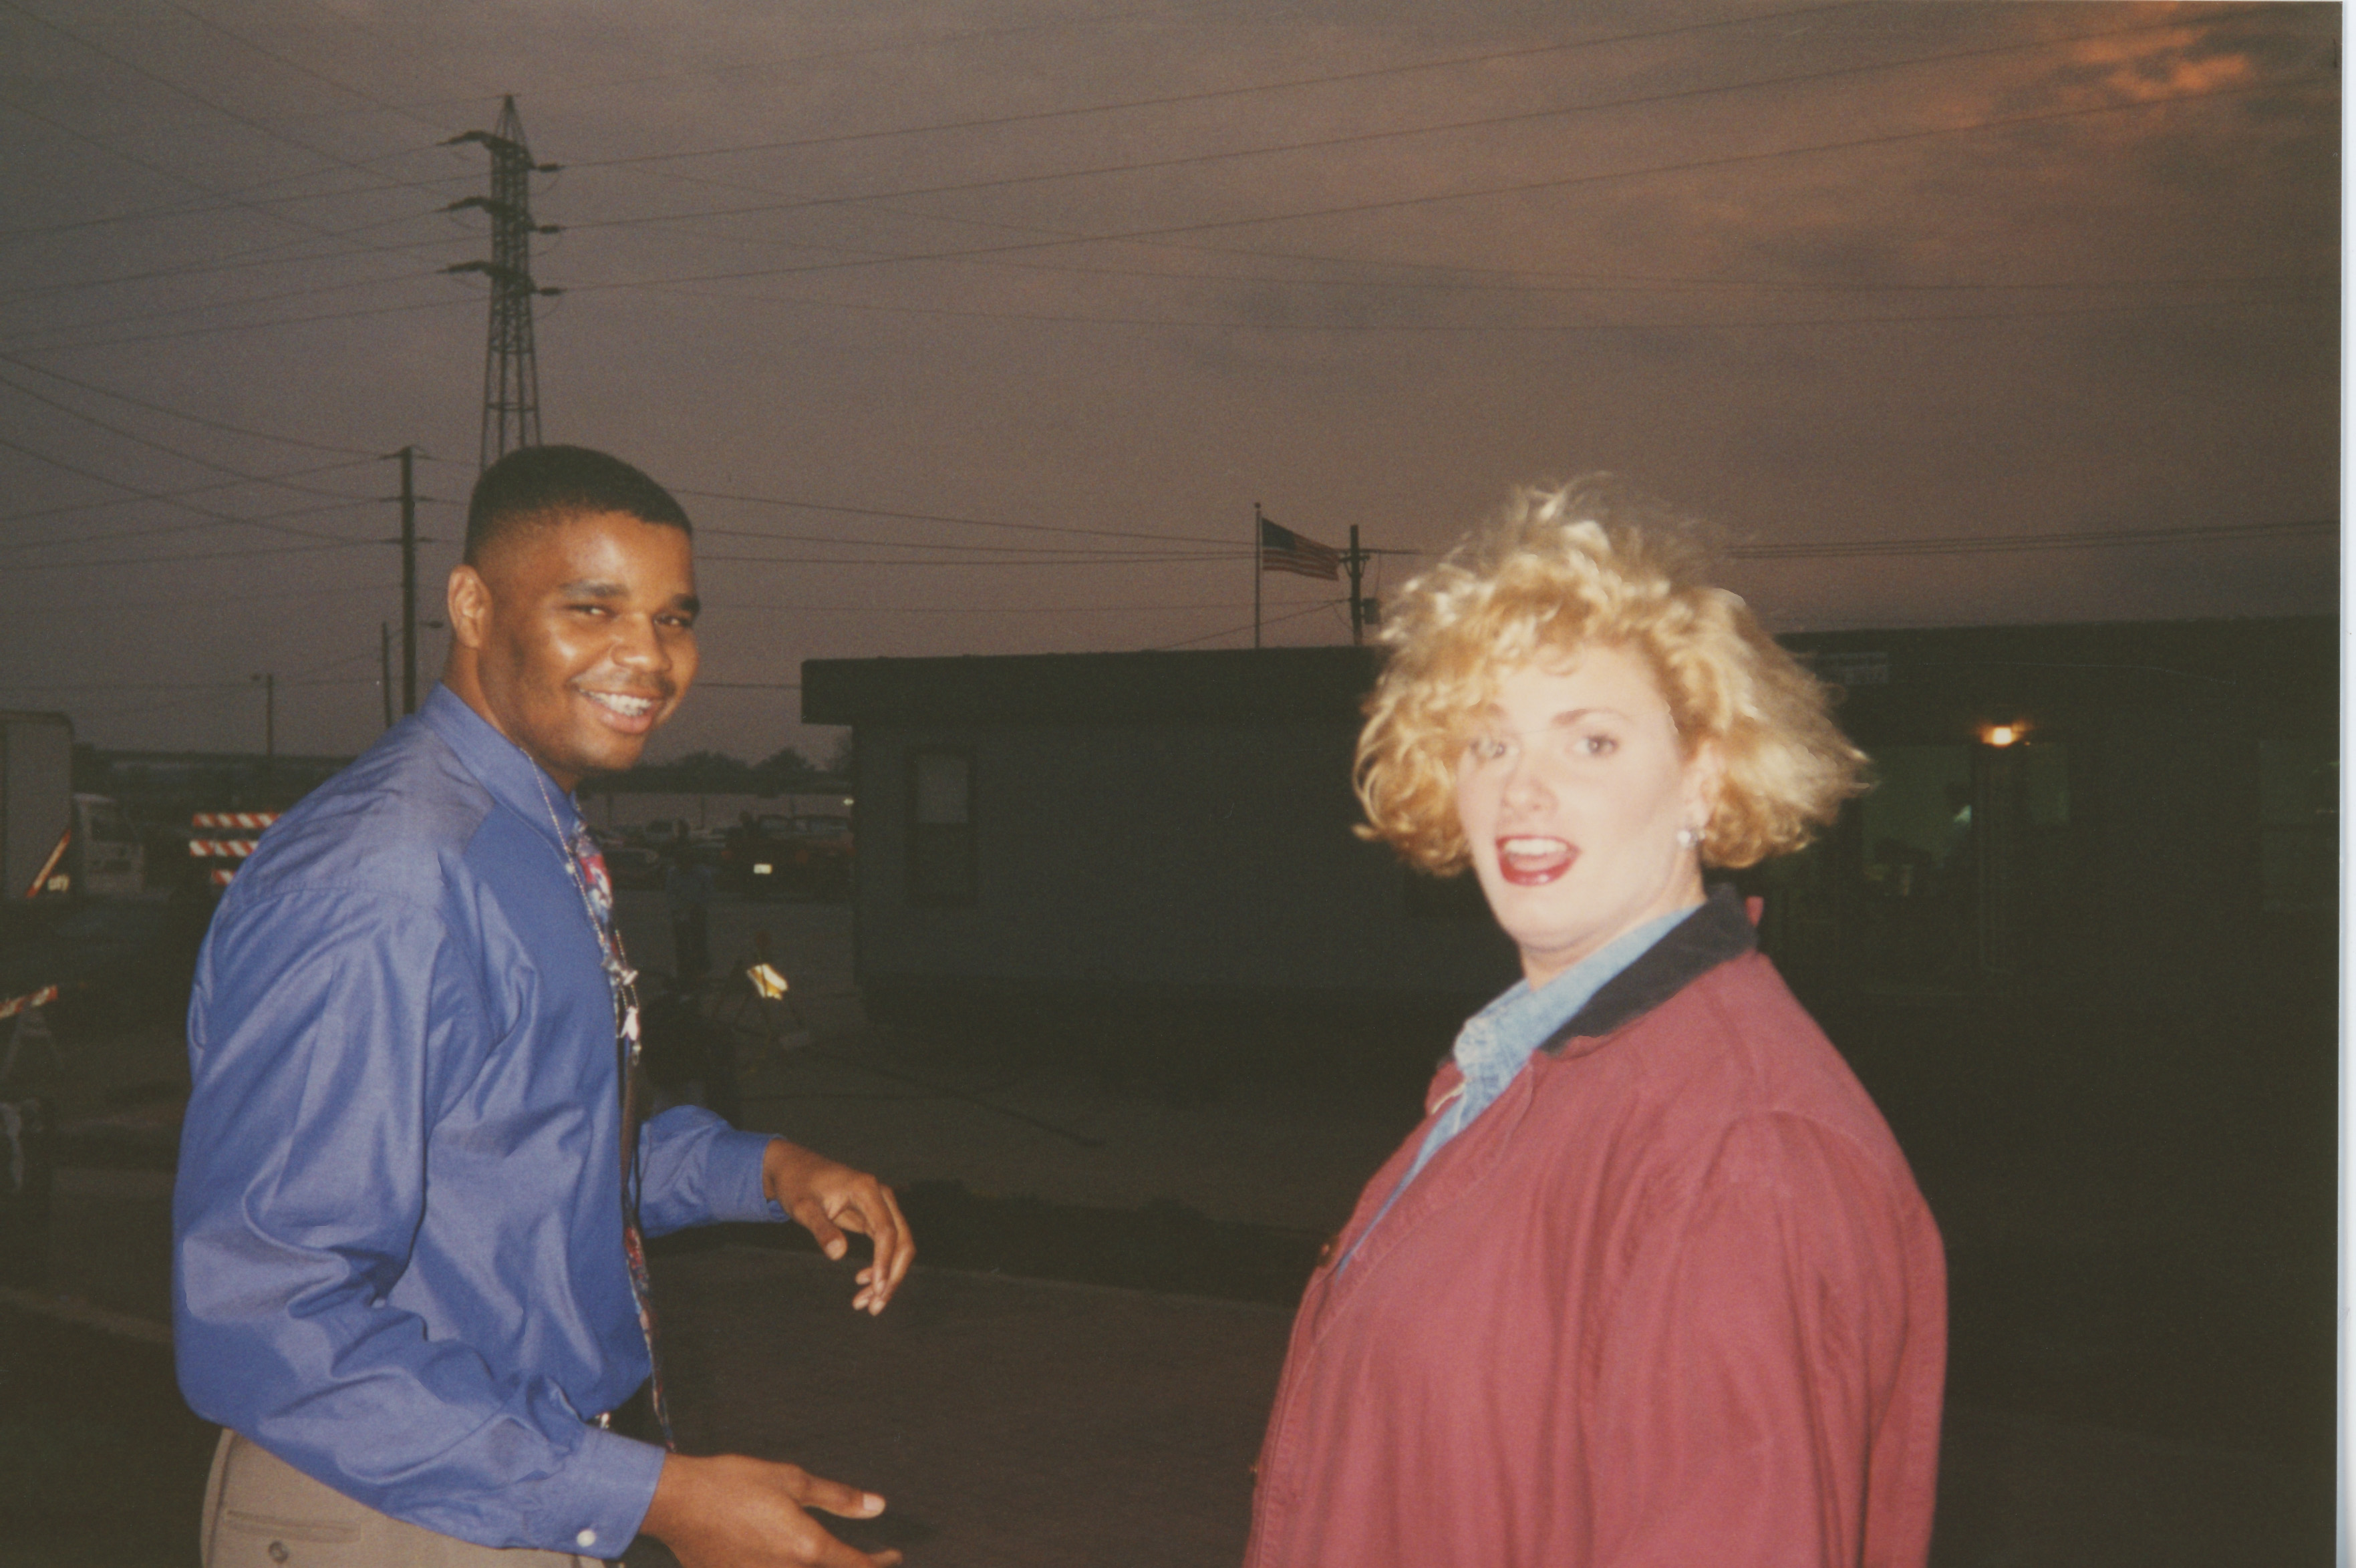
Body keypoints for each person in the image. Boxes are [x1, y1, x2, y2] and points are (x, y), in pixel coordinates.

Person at [174, 445, 915, 1568]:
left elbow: (522, 1150)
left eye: (673, 619)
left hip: (511, 1484)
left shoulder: (526, 835)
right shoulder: (387, 874)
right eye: (593, 609)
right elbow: (265, 1312)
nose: (648, 657)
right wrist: (655, 1497)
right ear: (473, 606)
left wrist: (761, 1170)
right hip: (395, 1513)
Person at [1243, 478, 1946, 1567]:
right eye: (1488, 745)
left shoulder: (1736, 1151)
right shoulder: (1531, 1073)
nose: (1522, 792)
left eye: (1592, 743)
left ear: (1702, 777)